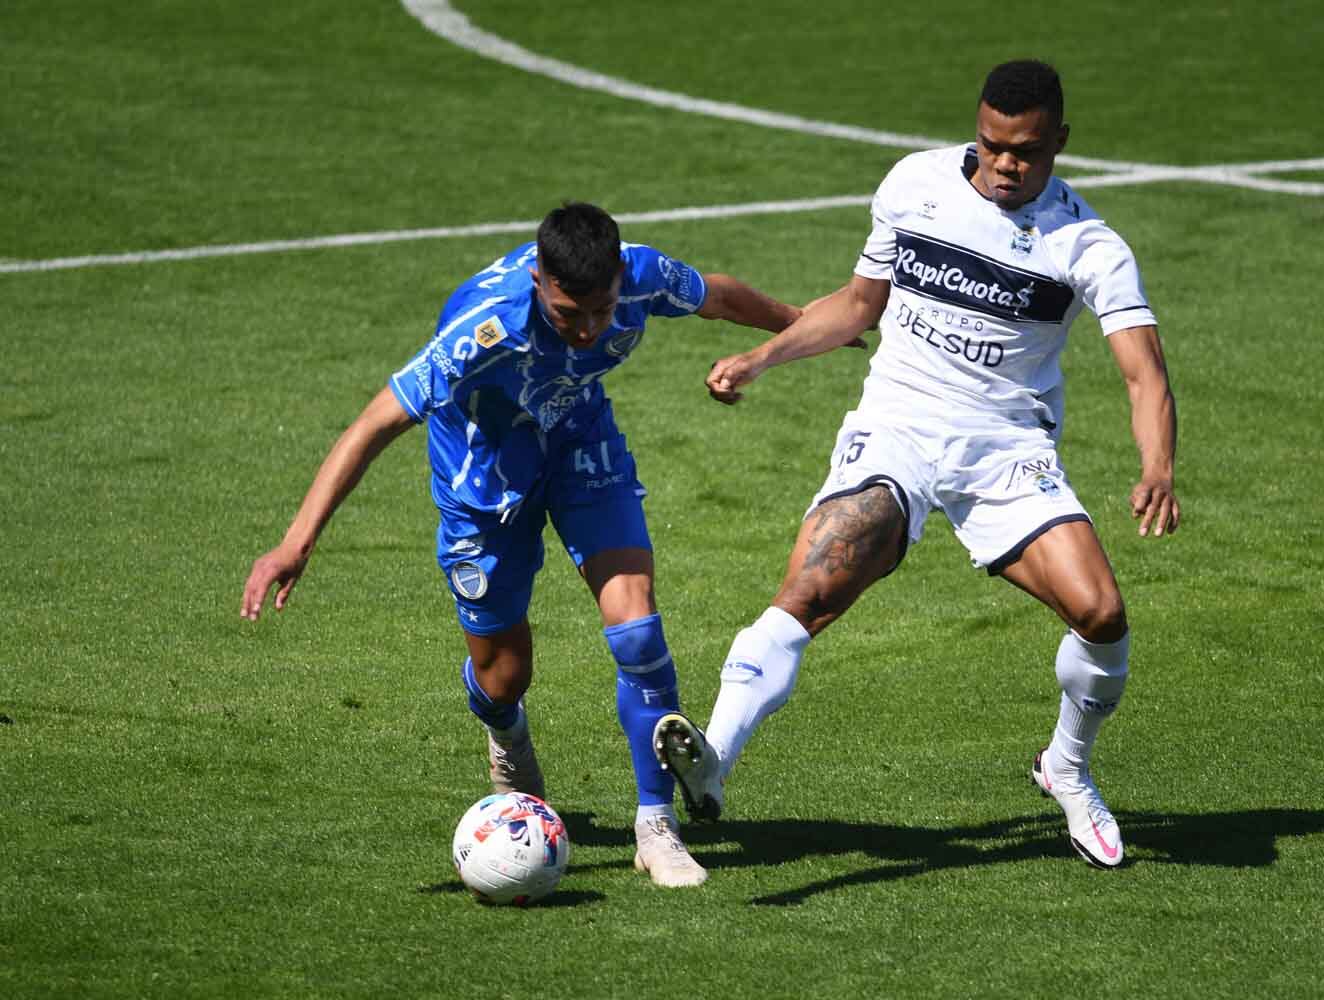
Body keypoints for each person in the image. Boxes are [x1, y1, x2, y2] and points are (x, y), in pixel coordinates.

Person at [653, 60, 1179, 870]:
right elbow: (859, 305)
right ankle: (714, 759)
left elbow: (1143, 370)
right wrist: (763, 357)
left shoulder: (1088, 244)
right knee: (815, 583)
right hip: (899, 420)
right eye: (992, 146)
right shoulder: (915, 185)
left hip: (1007, 445)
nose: (1005, 166)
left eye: (1026, 153)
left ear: (1060, 144)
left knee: (1102, 614)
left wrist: (1158, 465)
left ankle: (1066, 769)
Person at [240, 202, 801, 888]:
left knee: (638, 628)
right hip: (485, 476)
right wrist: (296, 542)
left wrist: (802, 329)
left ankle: (657, 826)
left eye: (601, 309)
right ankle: (504, 730)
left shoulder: (643, 275)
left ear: (621, 276)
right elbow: (372, 424)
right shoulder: (483, 331)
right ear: (539, 281)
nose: (590, 328)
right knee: (505, 673)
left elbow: (717, 295)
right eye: (570, 315)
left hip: (578, 443)